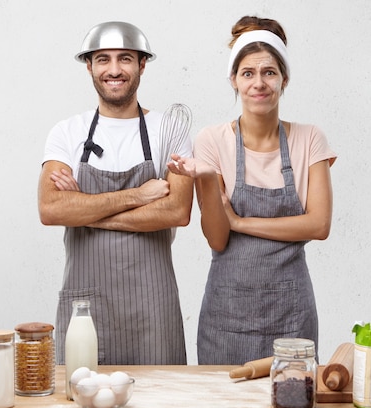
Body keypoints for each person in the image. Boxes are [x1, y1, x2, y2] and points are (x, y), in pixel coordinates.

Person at [167, 16, 336, 364]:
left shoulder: (309, 139)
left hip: (292, 315)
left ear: (284, 79)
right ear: (233, 80)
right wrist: (208, 178)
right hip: (227, 318)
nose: (259, 83)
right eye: (248, 73)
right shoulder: (212, 141)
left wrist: (241, 223)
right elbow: (217, 238)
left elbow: (319, 225)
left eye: (269, 73)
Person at [38, 21, 193, 365]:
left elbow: (177, 212)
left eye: (125, 58)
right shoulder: (67, 132)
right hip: (87, 307)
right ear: (89, 66)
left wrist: (85, 210)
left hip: (154, 306)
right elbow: (51, 209)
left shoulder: (169, 130)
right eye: (103, 59)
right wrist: (139, 196)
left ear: (142, 65)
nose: (114, 70)